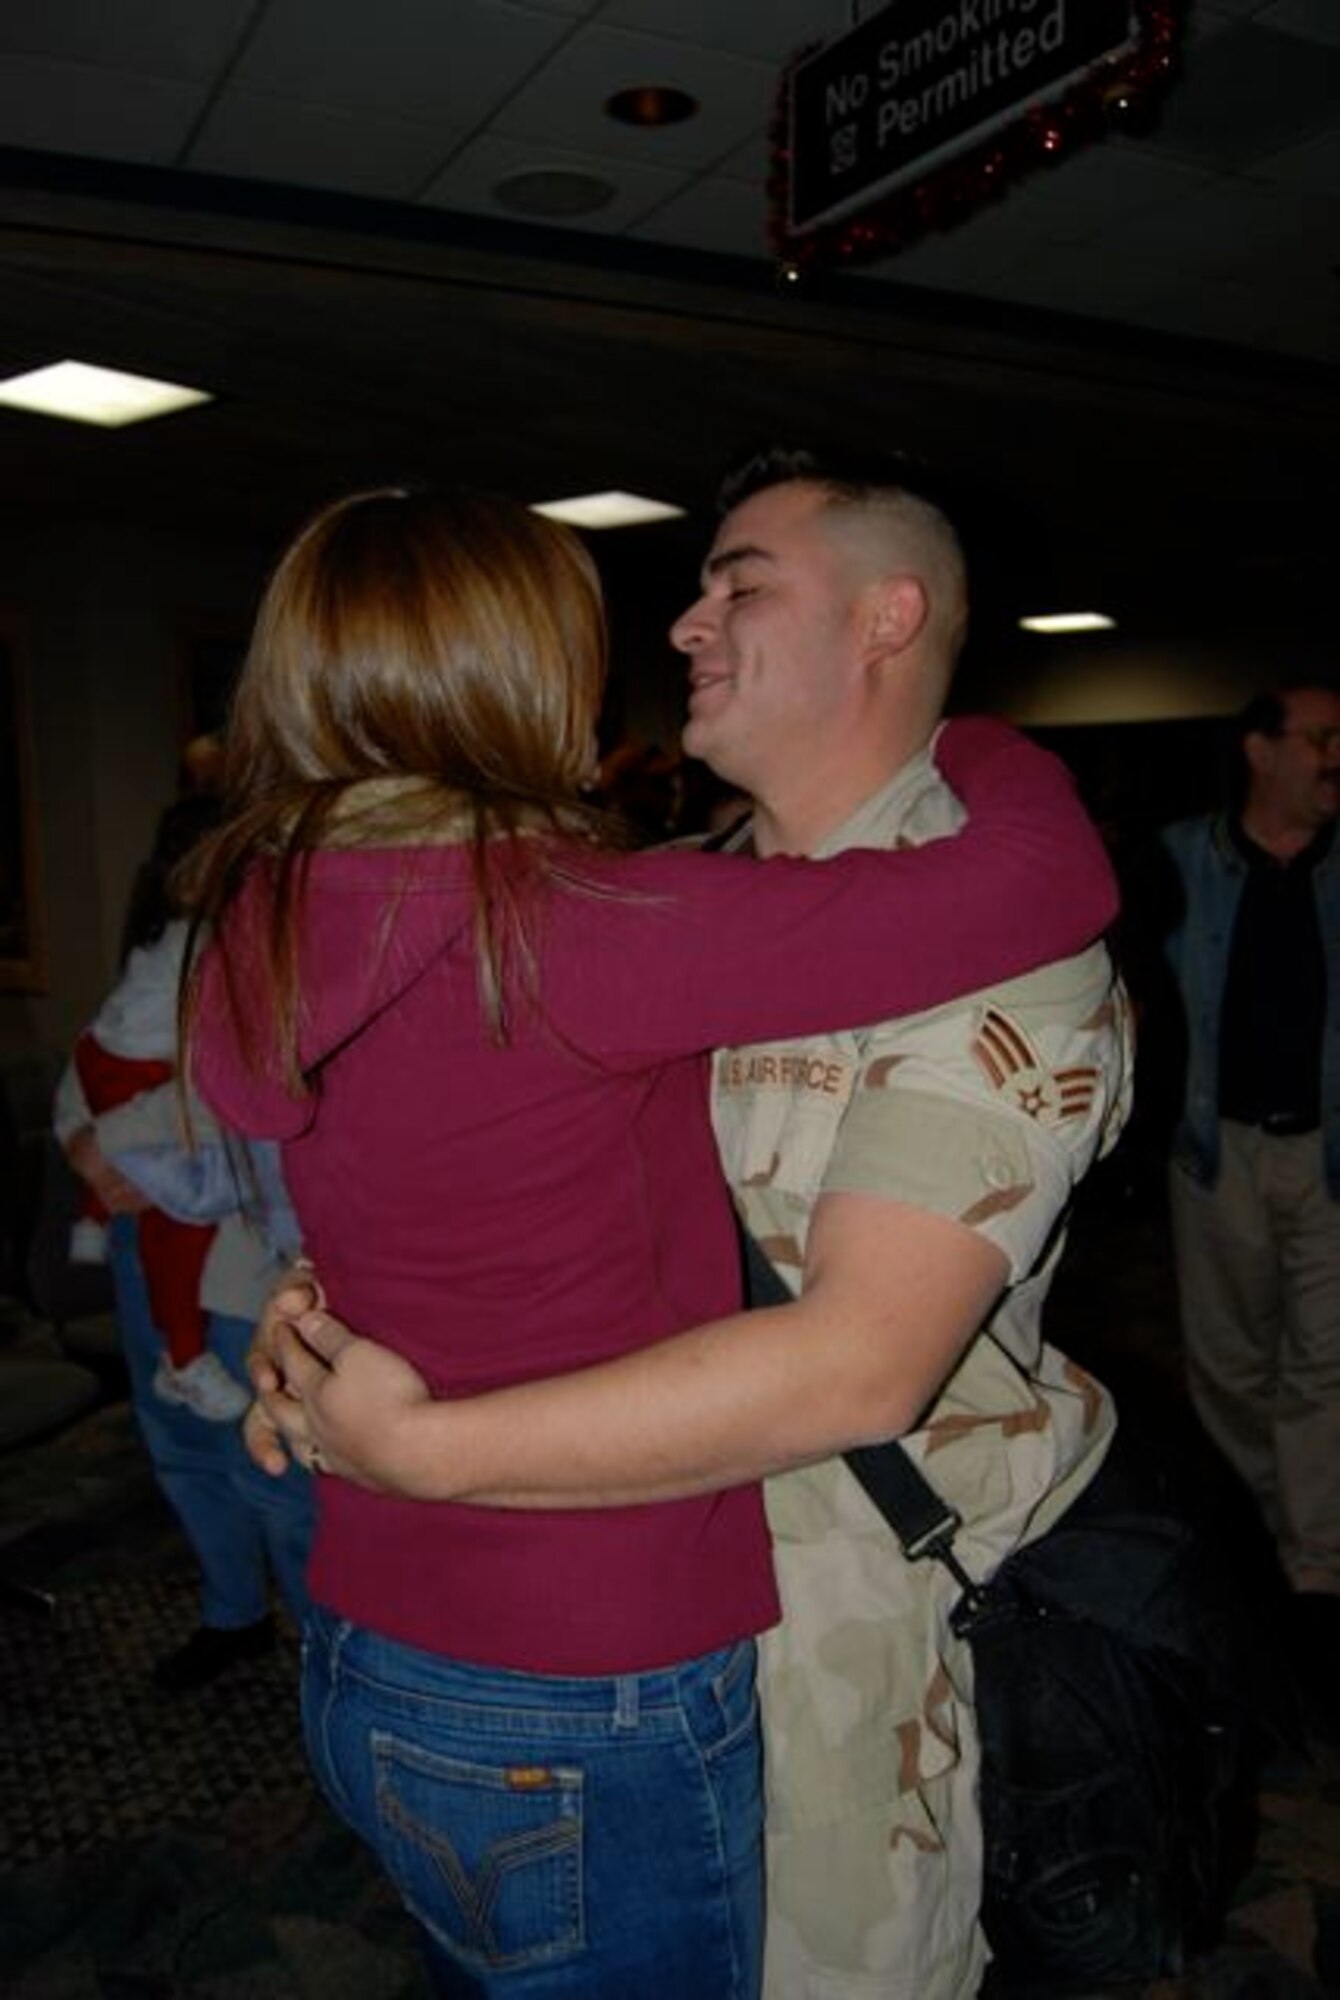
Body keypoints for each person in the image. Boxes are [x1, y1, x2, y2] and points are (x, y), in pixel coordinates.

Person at [187, 481, 1118, 2000]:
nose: (669, 632)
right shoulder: (584, 925)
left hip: (370, 1646)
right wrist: (986, 737)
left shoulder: (265, 917)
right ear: (517, 679)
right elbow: (1048, 883)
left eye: (731, 588)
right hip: (583, 1665)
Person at [56, 796, 314, 1690]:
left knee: (275, 1469)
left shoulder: (279, 961)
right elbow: (82, 1071)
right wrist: (83, 1145)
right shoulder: (160, 959)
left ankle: (332, 1651)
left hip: (238, 1259)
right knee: (179, 1446)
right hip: (141, 1241)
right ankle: (233, 1612)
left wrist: (111, 1138)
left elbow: (238, 1101)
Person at [1158, 684, 1340, 1663]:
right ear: (1256, 750)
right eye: (1317, 738)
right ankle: (1259, 1543)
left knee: (1324, 1366)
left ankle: (1313, 1574)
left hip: (1326, 1154)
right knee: (1228, 1366)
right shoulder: (1181, 859)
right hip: (1213, 1149)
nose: (1332, 757)